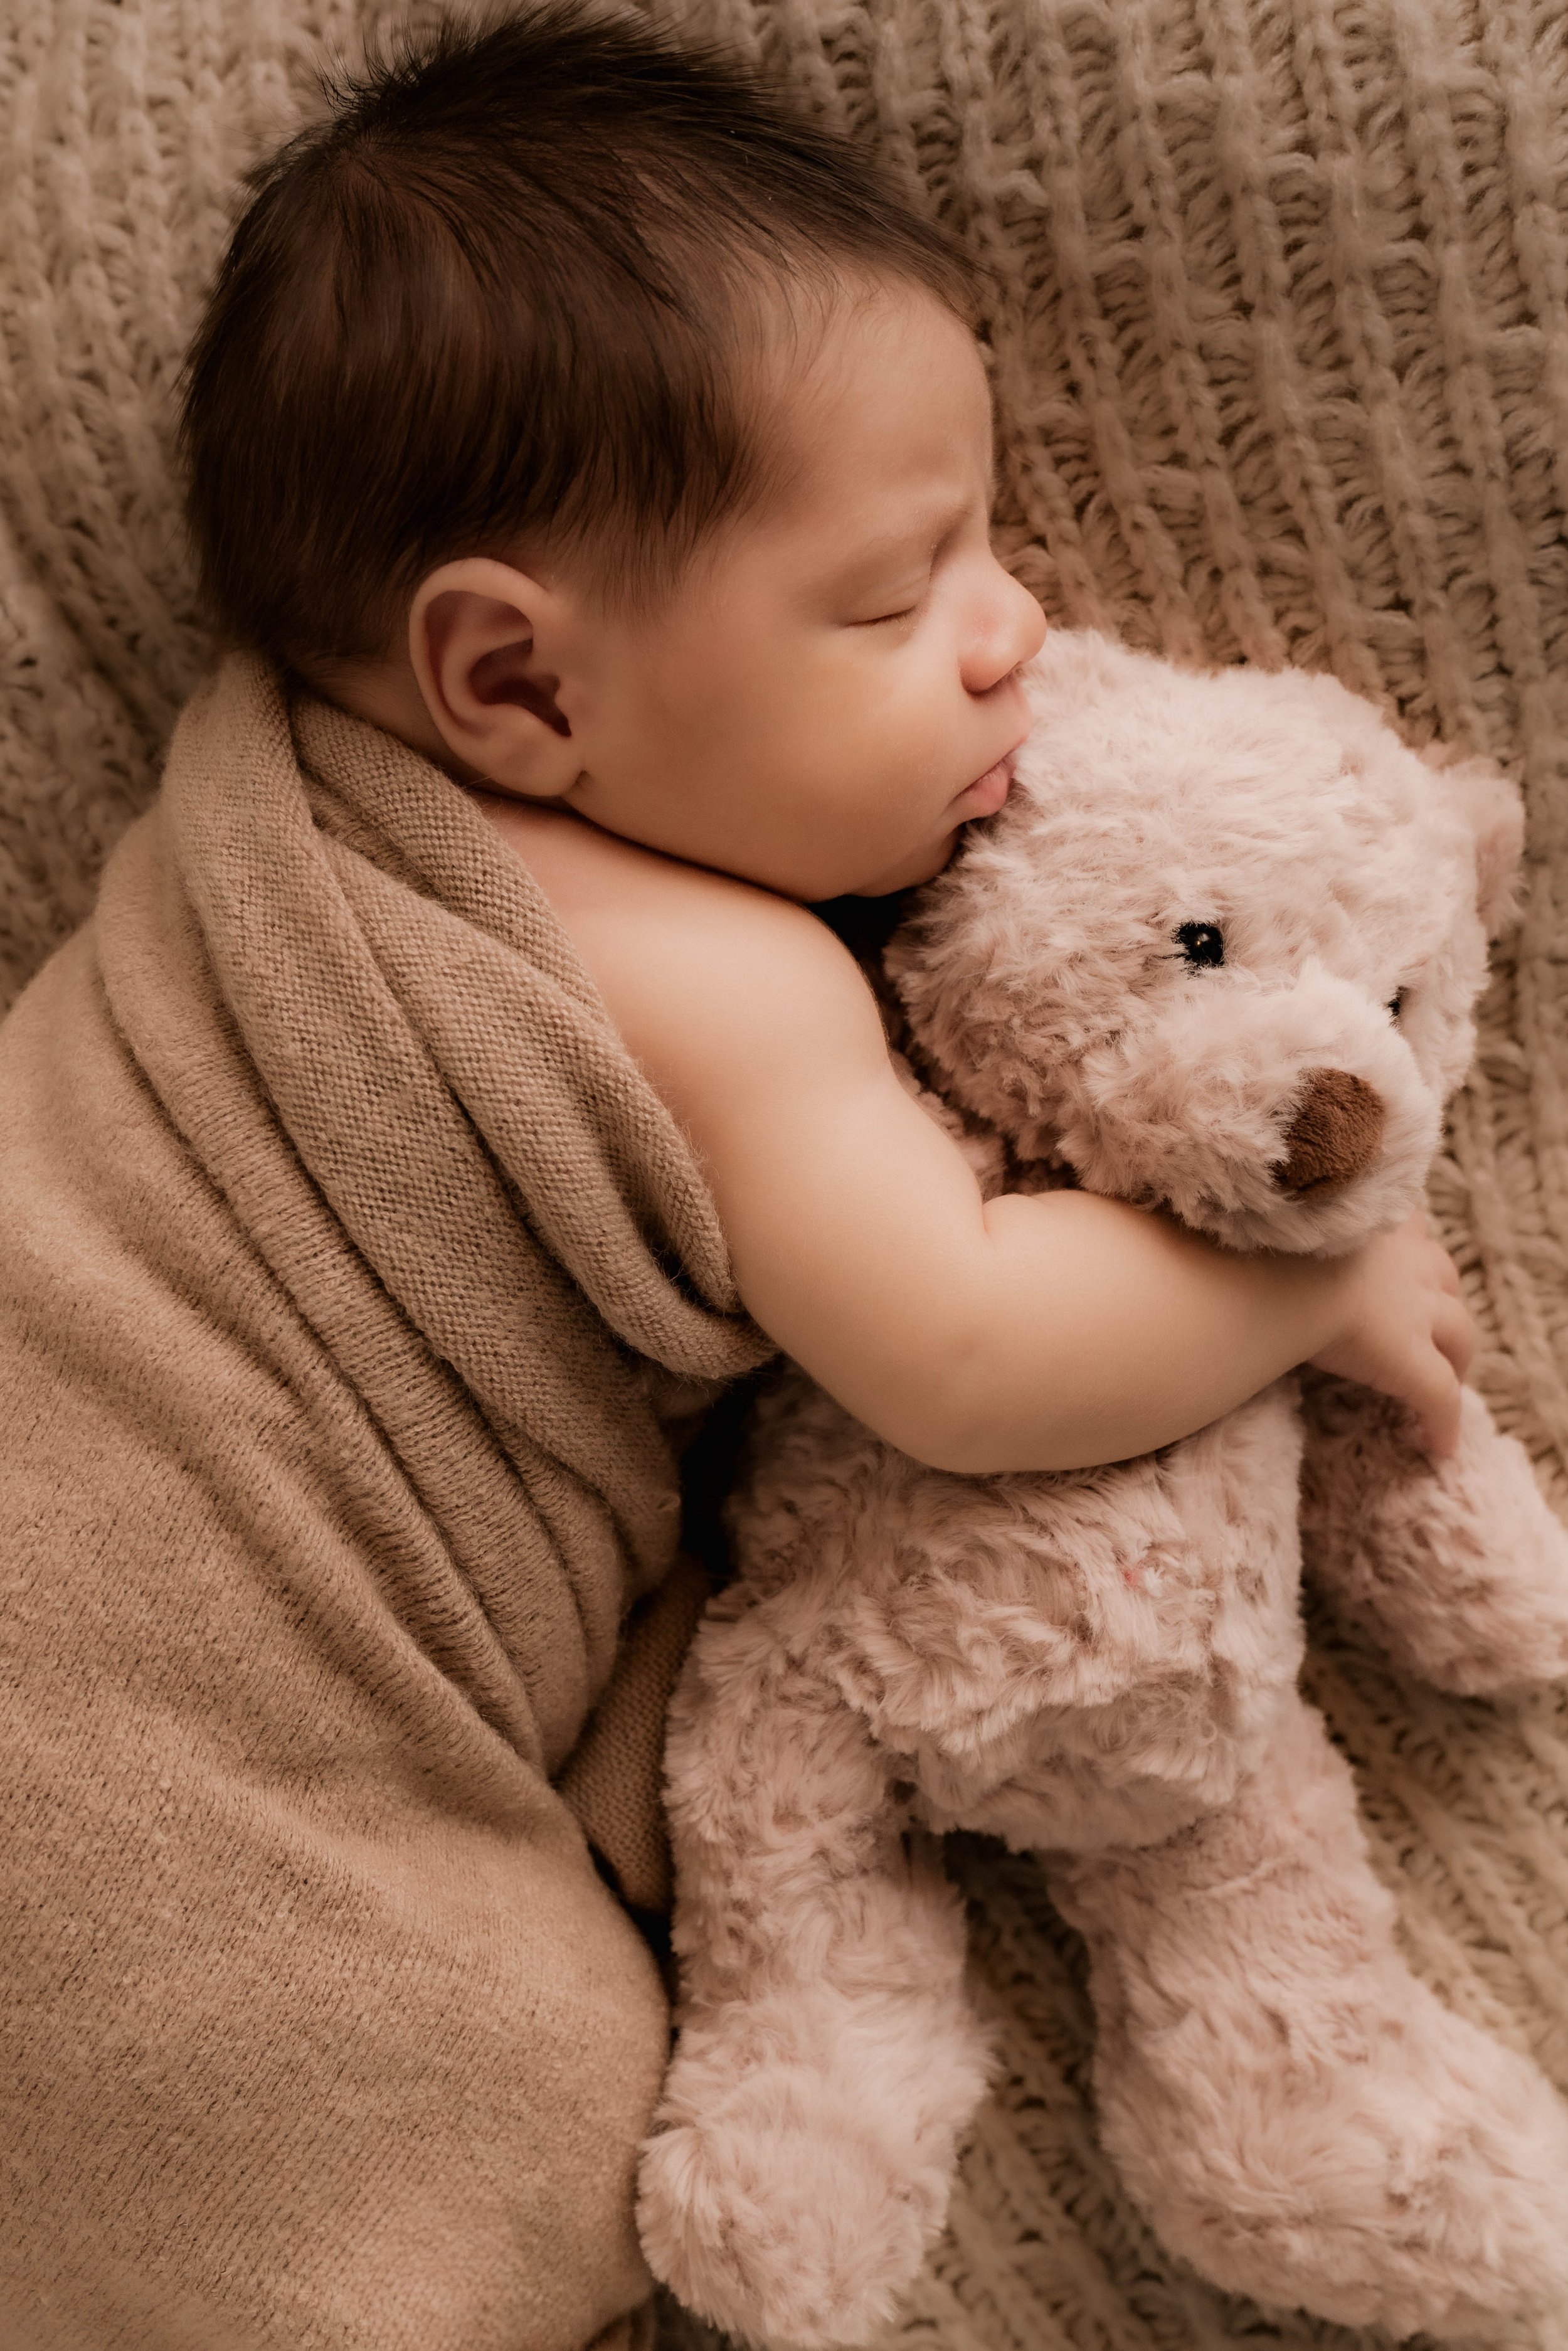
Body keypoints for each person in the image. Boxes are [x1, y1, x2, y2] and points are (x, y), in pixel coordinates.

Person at [0, 8, 1470, 2348]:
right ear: (513, 686)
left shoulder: (274, 809)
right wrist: (1304, 1286)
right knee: (412, 2104)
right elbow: (972, 1354)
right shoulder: (697, 973)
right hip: (135, 1661)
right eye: (898, 594)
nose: (1016, 629)